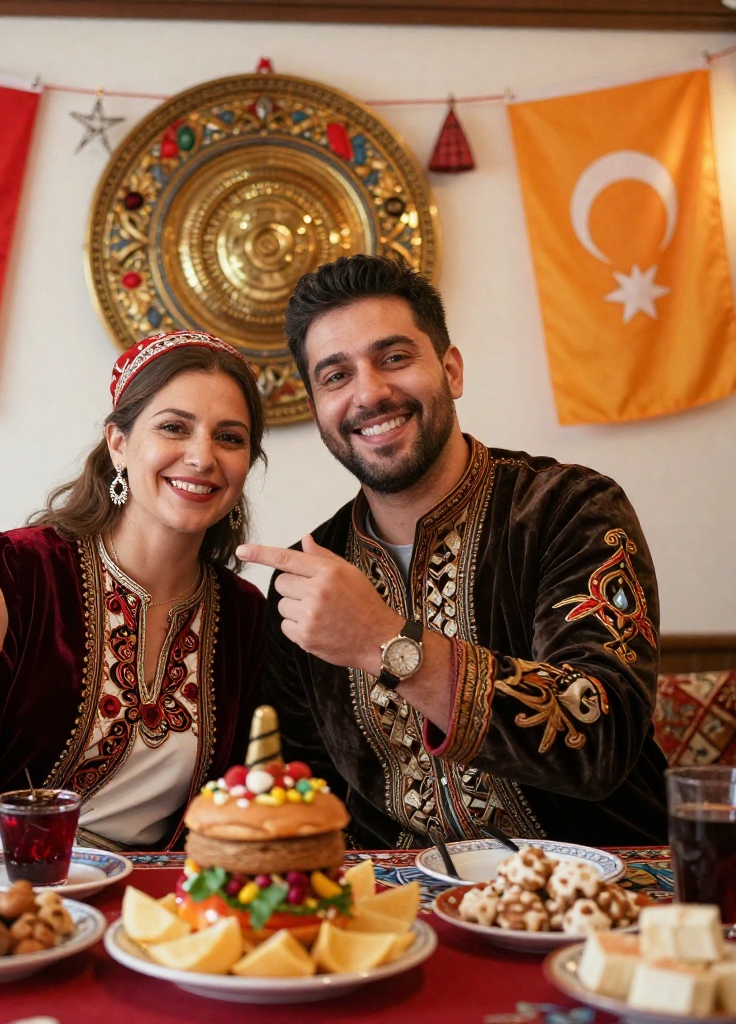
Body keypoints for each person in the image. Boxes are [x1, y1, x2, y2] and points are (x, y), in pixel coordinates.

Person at [239, 254, 668, 849]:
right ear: (316, 408)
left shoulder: (568, 509)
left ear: (451, 370)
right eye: (336, 376)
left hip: (606, 892)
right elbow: (307, 791)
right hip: (402, 911)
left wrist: (382, 642)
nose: (370, 392)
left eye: (394, 358)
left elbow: (603, 737)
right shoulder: (308, 576)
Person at [0, 331, 267, 853]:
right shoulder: (23, 568)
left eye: (230, 438)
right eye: (174, 427)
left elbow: (234, 805)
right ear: (118, 443)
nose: (201, 456)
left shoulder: (244, 615)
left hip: (138, 904)